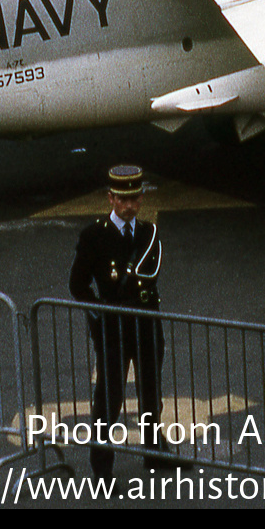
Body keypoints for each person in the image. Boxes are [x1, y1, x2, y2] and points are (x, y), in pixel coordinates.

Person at [69, 164, 165, 478]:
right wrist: (100, 316)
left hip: (147, 325)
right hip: (114, 328)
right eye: (122, 199)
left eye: (134, 199)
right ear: (110, 199)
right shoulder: (94, 235)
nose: (129, 206)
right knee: (109, 399)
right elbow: (78, 285)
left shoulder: (148, 233)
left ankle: (155, 454)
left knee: (151, 394)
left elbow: (150, 281)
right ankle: (102, 468)